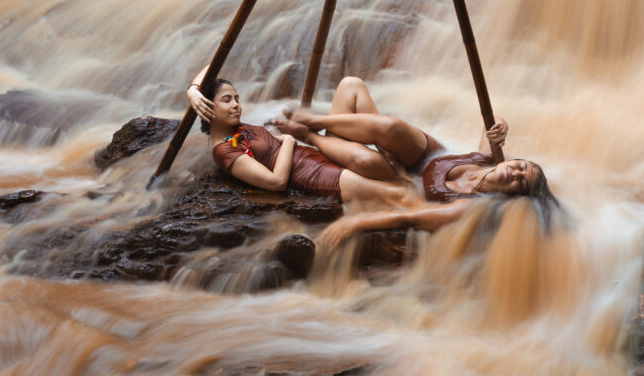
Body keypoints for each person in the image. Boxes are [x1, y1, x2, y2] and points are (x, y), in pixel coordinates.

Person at [269, 77, 562, 246]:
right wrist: (502, 127)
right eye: (523, 166)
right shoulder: (489, 159)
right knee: (353, 87)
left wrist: (356, 224)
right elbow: (493, 121)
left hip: (402, 181)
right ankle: (316, 121)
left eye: (521, 181)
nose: (516, 172)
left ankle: (309, 135)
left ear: (512, 195)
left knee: (366, 161)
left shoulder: (468, 206)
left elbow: (411, 217)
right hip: (421, 155)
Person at [186, 67, 421, 209]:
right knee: (399, 193)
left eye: (237, 98)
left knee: (351, 85)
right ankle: (400, 171)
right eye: (227, 100)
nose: (237, 105)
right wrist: (288, 141)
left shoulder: (237, 128)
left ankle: (393, 159)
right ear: (209, 107)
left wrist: (193, 90)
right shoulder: (224, 151)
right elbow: (276, 182)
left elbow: (211, 65)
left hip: (322, 154)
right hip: (319, 176)